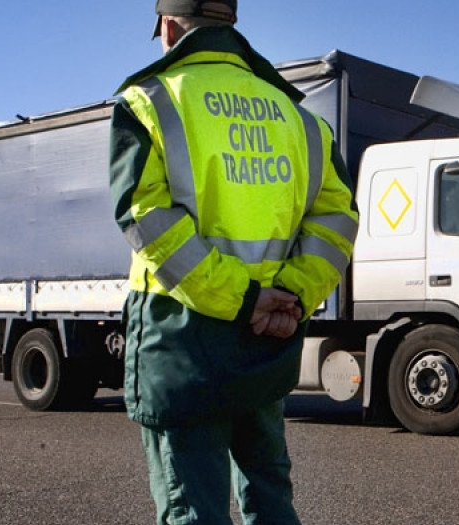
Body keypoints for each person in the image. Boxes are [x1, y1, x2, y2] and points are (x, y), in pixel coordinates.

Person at [109, 1, 358, 523]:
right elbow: (337, 220)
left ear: (168, 27)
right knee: (270, 499)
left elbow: (146, 217)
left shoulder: (151, 100)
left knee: (192, 508)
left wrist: (243, 300)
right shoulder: (301, 119)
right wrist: (291, 296)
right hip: (269, 340)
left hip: (183, 340)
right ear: (230, 22)